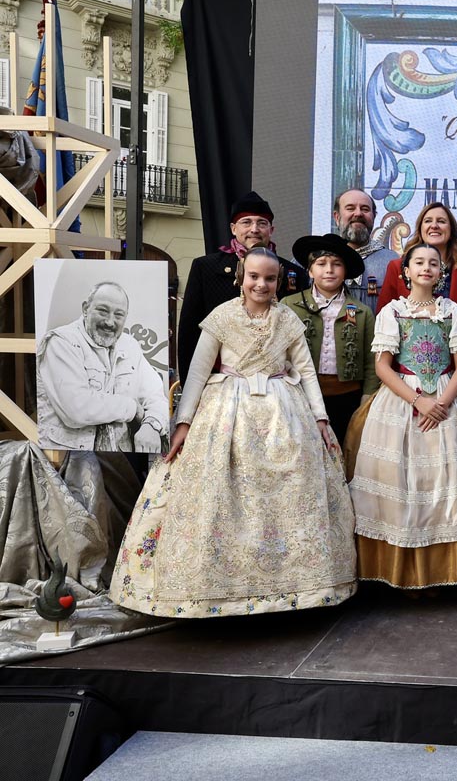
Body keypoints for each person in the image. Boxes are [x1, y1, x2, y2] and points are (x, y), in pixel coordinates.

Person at [111, 248, 356, 617]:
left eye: (269, 278)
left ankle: (292, 588)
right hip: (227, 412)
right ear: (241, 277)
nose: (261, 284)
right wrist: (184, 423)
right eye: (254, 276)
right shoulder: (222, 317)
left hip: (283, 413)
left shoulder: (288, 319)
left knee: (288, 496)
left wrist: (320, 418)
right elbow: (198, 372)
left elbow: (305, 370)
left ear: (278, 281)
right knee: (218, 495)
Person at [350, 244, 457, 589]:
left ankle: (447, 570)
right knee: (405, 482)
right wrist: (419, 401)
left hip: (447, 397)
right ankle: (406, 571)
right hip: (403, 399)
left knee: (450, 480)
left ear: (441, 272)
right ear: (405, 271)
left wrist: (442, 403)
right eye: (419, 262)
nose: (426, 268)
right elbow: (382, 367)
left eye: (433, 263)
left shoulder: (451, 310)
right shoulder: (392, 312)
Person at [177, 191, 309, 375]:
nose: (254, 229)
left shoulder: (293, 273)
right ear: (233, 228)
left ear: (271, 230)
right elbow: (189, 332)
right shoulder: (206, 267)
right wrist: (188, 382)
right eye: (246, 222)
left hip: (275, 379)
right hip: (221, 379)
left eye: (261, 223)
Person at [37, 281, 168, 452]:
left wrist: (152, 425)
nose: (110, 322)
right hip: (68, 458)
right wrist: (132, 407)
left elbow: (156, 396)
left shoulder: (130, 346)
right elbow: (77, 408)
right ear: (85, 309)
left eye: (118, 315)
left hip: (121, 458)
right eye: (103, 311)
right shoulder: (61, 342)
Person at [281, 233, 380, 444]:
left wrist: (367, 398)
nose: (329, 270)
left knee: (343, 448)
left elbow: (372, 361)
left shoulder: (362, 312)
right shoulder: (289, 305)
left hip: (348, 398)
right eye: (321, 264)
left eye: (337, 264)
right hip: (301, 393)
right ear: (310, 270)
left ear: (345, 271)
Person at [376, 202, 457, 339]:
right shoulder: (397, 267)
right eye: (428, 221)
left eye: (441, 221)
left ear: (451, 229)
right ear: (420, 228)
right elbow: (383, 321)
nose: (434, 225)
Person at [335, 188, 396, 313]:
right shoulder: (317, 259)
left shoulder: (392, 262)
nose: (358, 213)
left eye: (365, 209)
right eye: (350, 208)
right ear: (337, 217)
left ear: (374, 217)